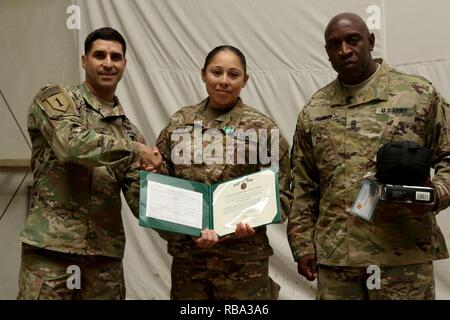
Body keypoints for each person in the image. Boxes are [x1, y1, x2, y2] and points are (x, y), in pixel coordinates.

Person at [287, 12, 450, 300]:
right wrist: (302, 245)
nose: (344, 50)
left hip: (402, 256)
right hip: (338, 258)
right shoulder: (315, 110)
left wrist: (434, 194)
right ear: (327, 53)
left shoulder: (417, 95)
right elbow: (304, 184)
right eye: (334, 45)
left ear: (370, 41)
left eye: (353, 40)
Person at [17, 27, 162, 299]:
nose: (108, 63)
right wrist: (135, 150)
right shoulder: (55, 98)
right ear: (85, 61)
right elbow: (70, 145)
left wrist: (193, 230)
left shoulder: (129, 131)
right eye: (100, 55)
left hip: (103, 261)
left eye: (115, 57)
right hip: (51, 255)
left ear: (124, 65)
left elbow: (140, 199)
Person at [154, 45, 292, 299]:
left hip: (243, 264)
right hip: (189, 263)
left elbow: (285, 190)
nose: (224, 81)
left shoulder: (262, 128)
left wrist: (253, 217)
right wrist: (186, 231)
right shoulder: (179, 123)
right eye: (217, 72)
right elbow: (162, 185)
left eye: (233, 74)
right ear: (203, 74)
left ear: (245, 79)